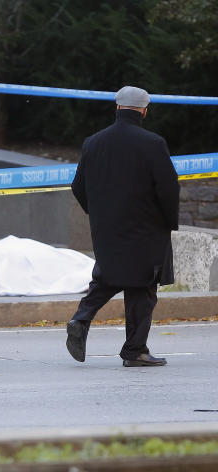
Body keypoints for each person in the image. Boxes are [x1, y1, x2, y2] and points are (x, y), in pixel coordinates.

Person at [65, 86, 180, 367]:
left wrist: (99, 214)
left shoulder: (94, 142)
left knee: (107, 277)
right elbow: (168, 188)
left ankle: (80, 318)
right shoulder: (153, 143)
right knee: (143, 287)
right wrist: (168, 221)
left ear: (117, 107)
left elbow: (78, 186)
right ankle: (135, 350)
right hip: (146, 230)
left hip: (108, 229)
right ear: (144, 110)